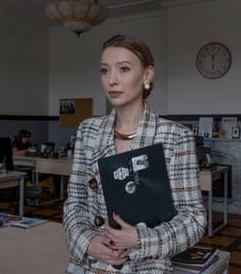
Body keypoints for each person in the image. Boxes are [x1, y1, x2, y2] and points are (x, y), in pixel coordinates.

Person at [63, 34, 206, 273]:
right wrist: (87, 242)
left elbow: (194, 219)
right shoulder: (88, 130)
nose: (112, 80)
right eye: (104, 71)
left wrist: (141, 239)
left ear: (147, 75)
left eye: (124, 69)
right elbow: (75, 203)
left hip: (147, 267)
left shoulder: (175, 136)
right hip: (90, 265)